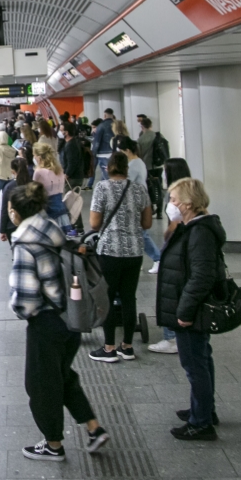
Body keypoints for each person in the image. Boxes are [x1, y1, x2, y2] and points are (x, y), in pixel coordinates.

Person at [8, 182, 110, 460]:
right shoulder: (54, 230)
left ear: (14, 211)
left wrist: (17, 309)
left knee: (41, 385)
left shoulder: (24, 244)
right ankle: (94, 428)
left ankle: (53, 445)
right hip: (71, 317)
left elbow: (26, 299)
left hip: (46, 323)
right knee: (62, 376)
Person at [156, 178, 225, 441]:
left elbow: (201, 277)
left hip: (190, 310)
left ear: (187, 203)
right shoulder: (191, 227)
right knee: (201, 360)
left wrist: (183, 312)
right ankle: (204, 409)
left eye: (173, 200)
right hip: (186, 306)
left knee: (195, 365)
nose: (170, 204)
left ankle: (202, 422)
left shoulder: (199, 233)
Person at [88, 153, 153, 362]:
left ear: (108, 168)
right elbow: (147, 223)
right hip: (134, 251)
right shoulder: (139, 188)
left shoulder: (102, 187)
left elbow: (95, 224)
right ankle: (126, 346)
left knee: (106, 298)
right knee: (128, 298)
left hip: (110, 251)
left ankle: (109, 348)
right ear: (127, 169)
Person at [148, 157, 193, 354]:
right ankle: (182, 334)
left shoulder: (175, 194)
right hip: (187, 246)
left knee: (170, 291)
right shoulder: (192, 190)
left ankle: (171, 337)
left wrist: (168, 235)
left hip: (177, 245)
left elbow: (175, 224)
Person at [118, 137, 161, 274]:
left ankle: (157, 258)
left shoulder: (134, 165)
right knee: (137, 233)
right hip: (139, 200)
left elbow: (124, 182)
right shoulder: (139, 162)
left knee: (141, 233)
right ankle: (138, 260)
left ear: (128, 150)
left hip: (136, 202)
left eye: (122, 151)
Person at [33, 143, 70, 230]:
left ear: (39, 157)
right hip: (61, 210)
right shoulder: (59, 170)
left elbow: (33, 192)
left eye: (34, 155)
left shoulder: (39, 172)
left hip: (48, 211)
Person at [0, 158, 32, 244]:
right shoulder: (33, 185)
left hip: (13, 226)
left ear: (13, 171)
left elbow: (4, 210)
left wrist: (2, 230)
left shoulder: (9, 187)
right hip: (31, 225)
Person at [90, 110, 115, 183]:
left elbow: (97, 141)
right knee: (110, 173)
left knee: (106, 175)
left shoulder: (101, 126)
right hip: (114, 153)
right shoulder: (116, 125)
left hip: (102, 153)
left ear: (104, 116)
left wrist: (94, 153)